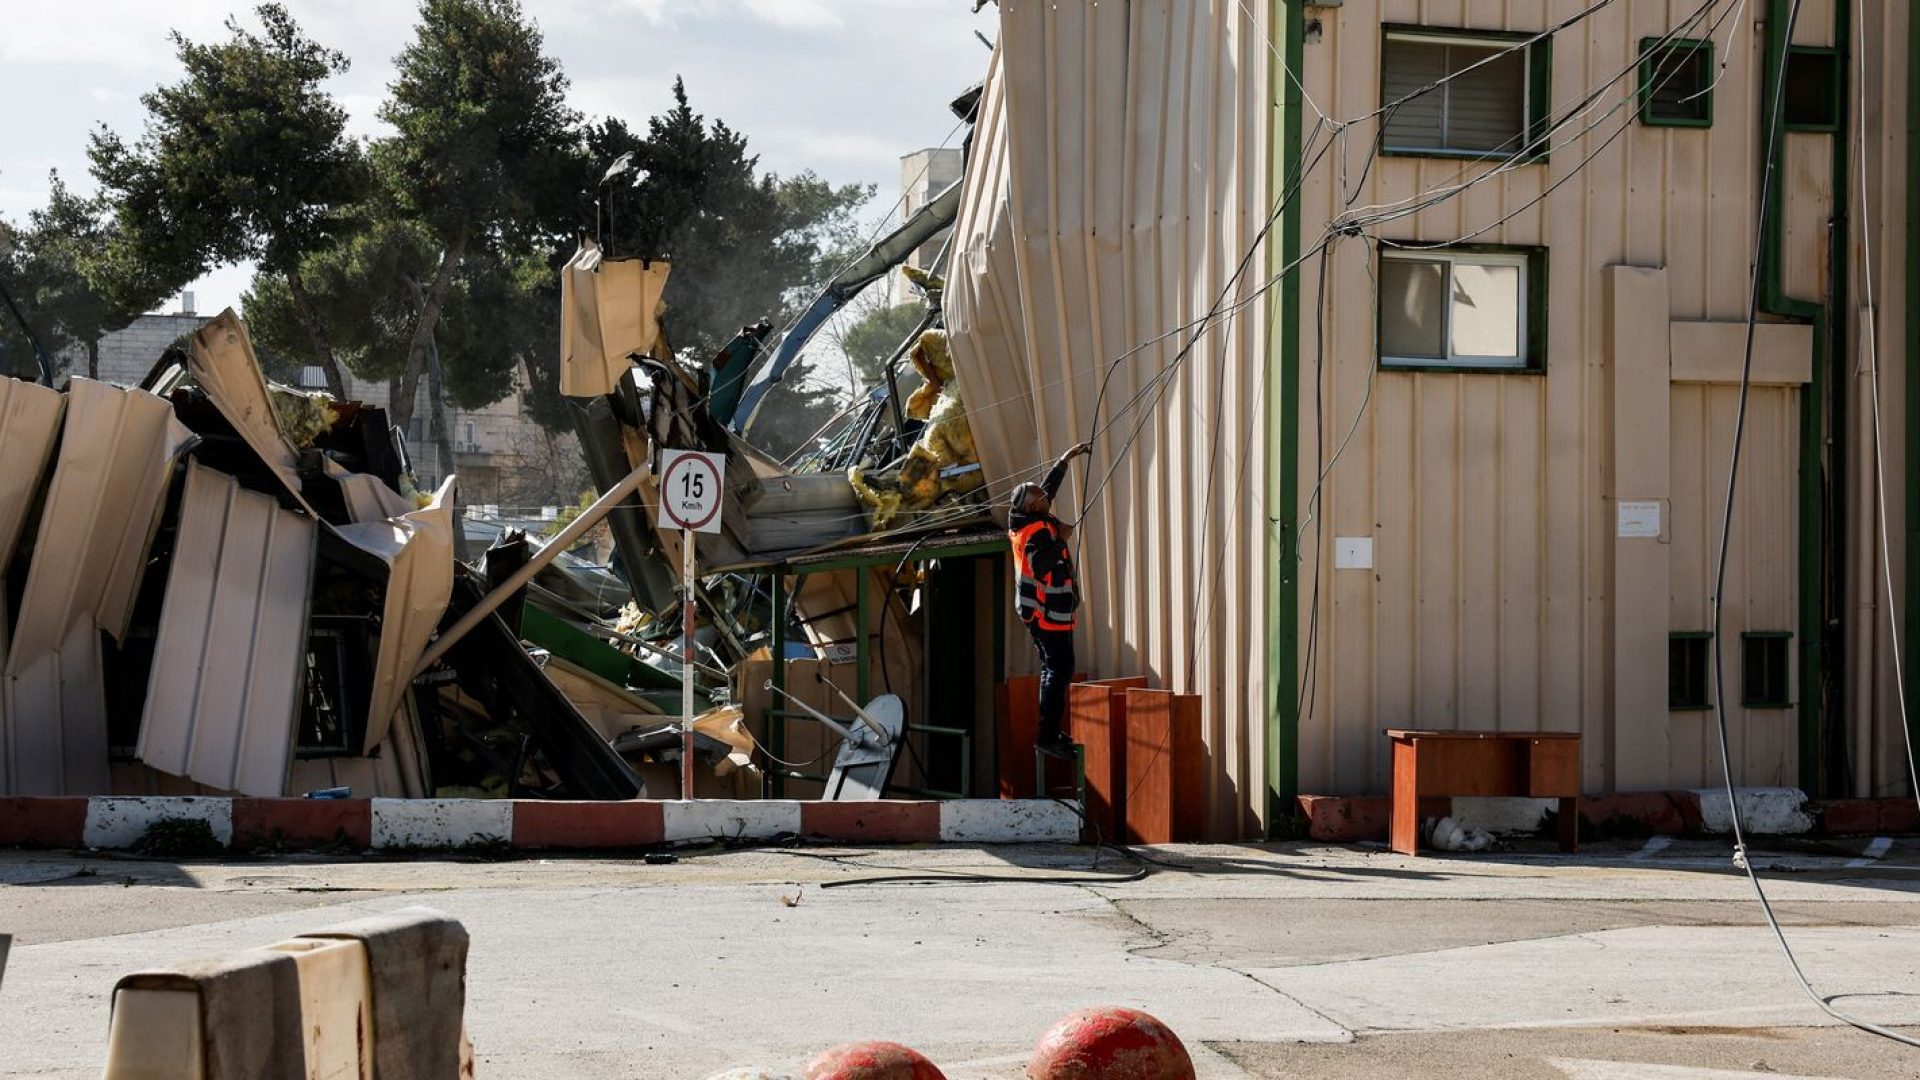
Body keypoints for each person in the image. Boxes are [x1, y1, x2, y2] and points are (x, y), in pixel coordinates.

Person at [1008, 440, 1093, 755]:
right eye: (1039, 496)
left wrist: (1064, 459)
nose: (1045, 496)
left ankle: (1049, 734)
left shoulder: (1026, 518)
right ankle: (1046, 737)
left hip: (1038, 611)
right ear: (1034, 507)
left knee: (1053, 668)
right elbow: (1039, 562)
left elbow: (1046, 489)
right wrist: (1061, 540)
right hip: (1046, 612)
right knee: (1059, 669)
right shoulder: (1040, 532)